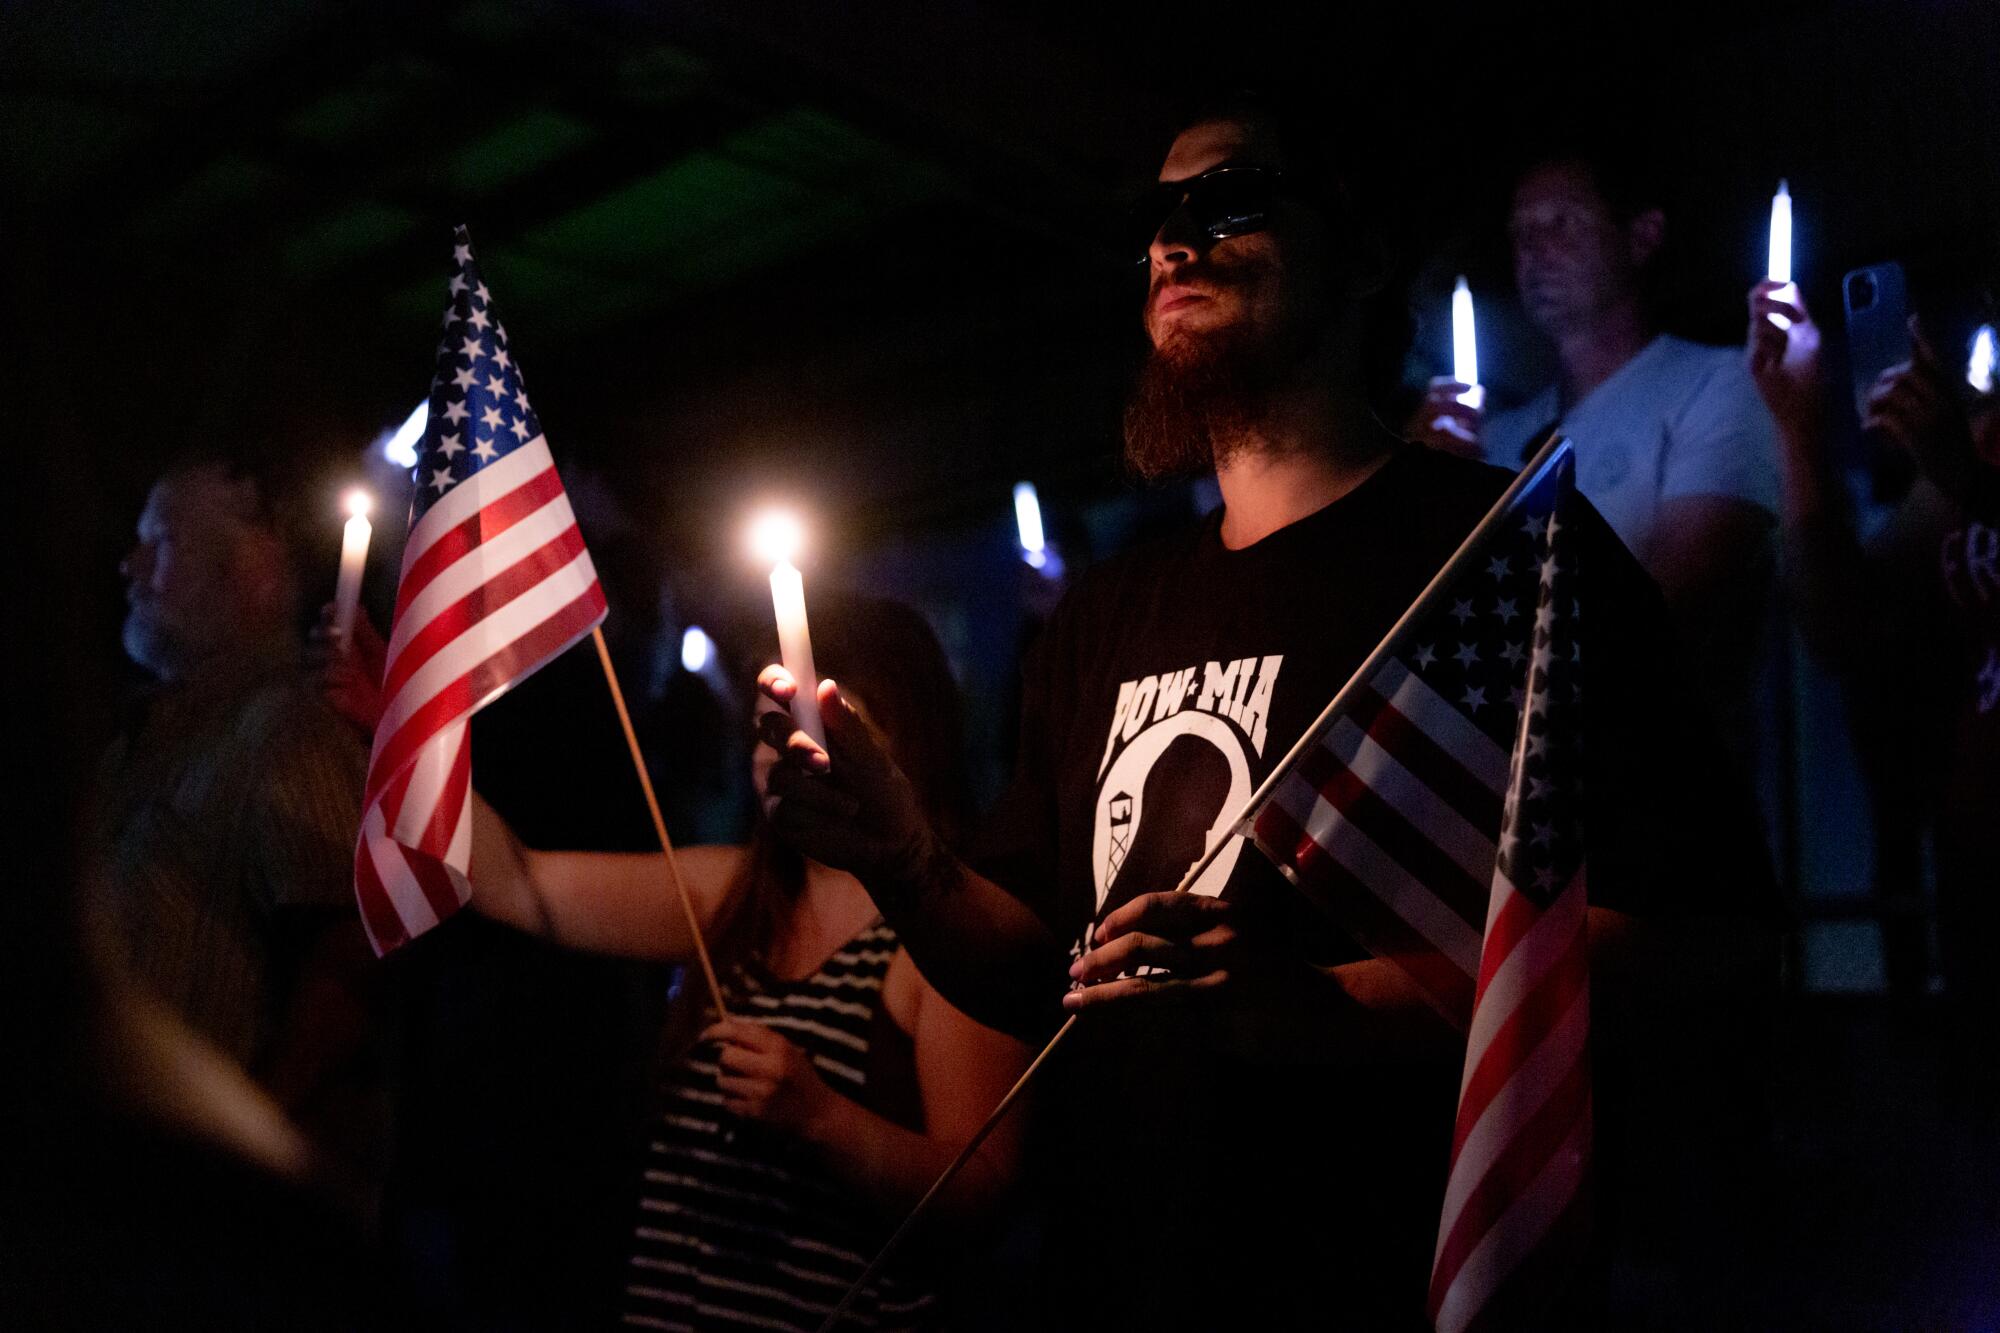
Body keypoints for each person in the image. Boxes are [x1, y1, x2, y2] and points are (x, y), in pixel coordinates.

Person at [756, 94, 1776, 1328]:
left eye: (1227, 199)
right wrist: (899, 852)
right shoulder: (1105, 612)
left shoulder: (1513, 555)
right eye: (1154, 218)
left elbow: (1697, 932)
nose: (1175, 242)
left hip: (1391, 1275)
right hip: (1119, 1278)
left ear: (1360, 255)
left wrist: (1325, 1007)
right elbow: (1033, 970)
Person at [334, 594, 1032, 1330]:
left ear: (904, 742)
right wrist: (400, 732)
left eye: (812, 722)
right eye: (768, 722)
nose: (774, 750)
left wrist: (823, 1117)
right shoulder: (729, 892)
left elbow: (980, 1194)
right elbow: (516, 882)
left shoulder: (945, 934)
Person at [1409, 152, 1781, 744]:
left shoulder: (1719, 384)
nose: (1534, 250)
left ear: (1642, 235)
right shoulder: (1496, 438)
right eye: (1522, 232)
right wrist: (1421, 486)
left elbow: (1679, 606)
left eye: (1561, 223)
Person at [88, 453, 381, 1181]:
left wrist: (238, 1147)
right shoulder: (140, 743)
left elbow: (349, 966)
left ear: (245, 575)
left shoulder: (283, 729)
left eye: (164, 541)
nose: (131, 565)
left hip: (190, 1209)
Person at [1747, 278, 1999, 1082]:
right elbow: (1841, 624)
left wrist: (1974, 484)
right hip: (1977, 878)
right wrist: (1797, 428)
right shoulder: (1988, 435)